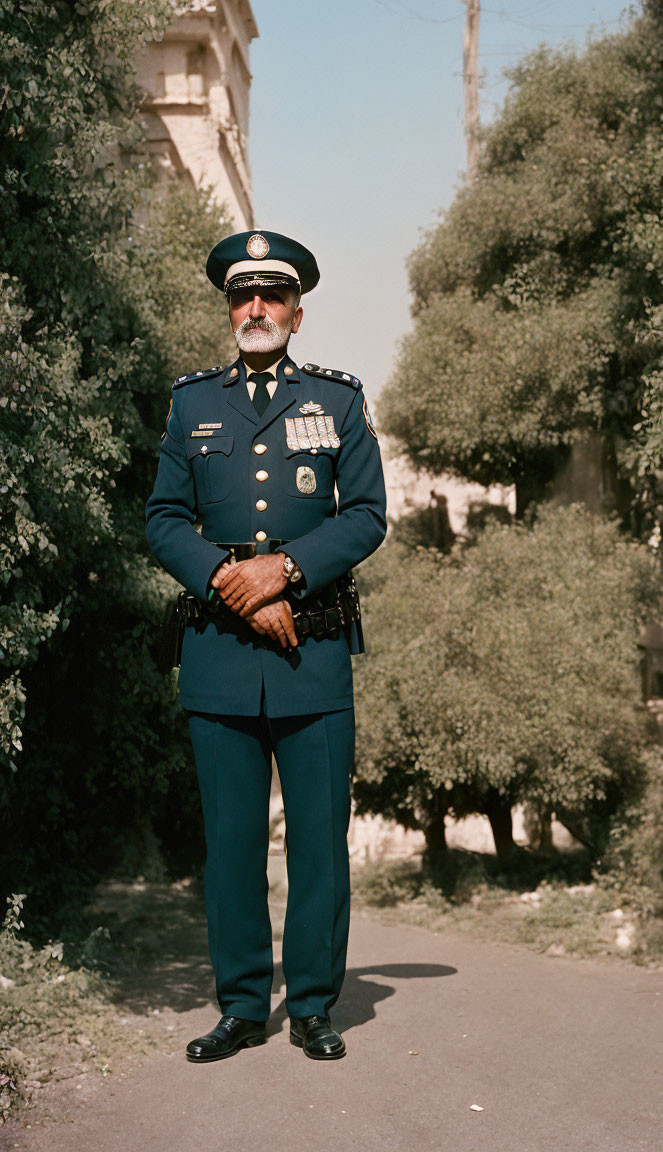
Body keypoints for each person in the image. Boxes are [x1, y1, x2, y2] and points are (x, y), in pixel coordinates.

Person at [145, 229, 387, 1062]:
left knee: (319, 842)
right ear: (230, 307)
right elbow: (163, 519)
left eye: (272, 295)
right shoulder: (192, 404)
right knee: (233, 845)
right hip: (218, 656)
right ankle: (245, 1006)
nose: (256, 308)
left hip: (311, 658)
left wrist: (284, 569)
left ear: (297, 309)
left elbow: (365, 515)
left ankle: (314, 1004)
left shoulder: (341, 402)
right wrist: (230, 583)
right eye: (242, 295)